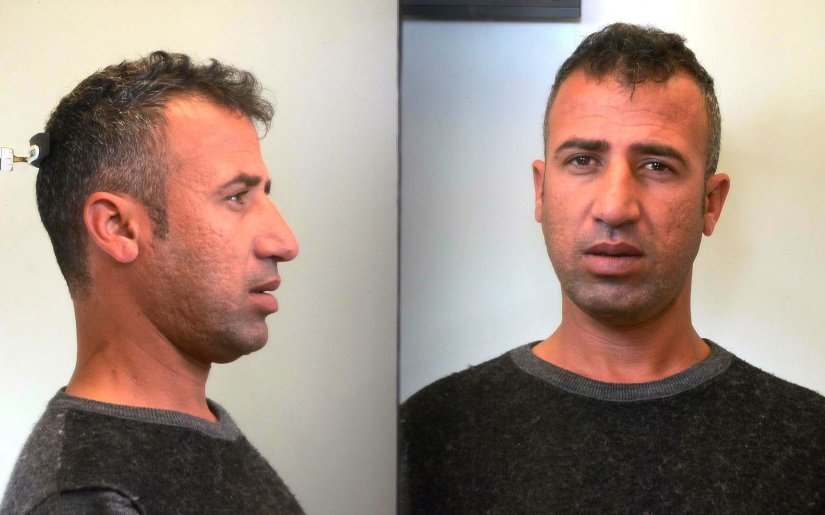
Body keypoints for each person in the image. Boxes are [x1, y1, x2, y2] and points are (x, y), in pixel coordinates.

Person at [400, 23, 825, 513]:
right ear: (541, 191)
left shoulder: (809, 444)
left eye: (657, 166)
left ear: (711, 203)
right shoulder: (426, 436)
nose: (615, 207)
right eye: (583, 160)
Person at [1, 51, 303, 514]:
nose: (284, 242)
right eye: (236, 197)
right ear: (118, 228)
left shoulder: (195, 431)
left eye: (264, 195)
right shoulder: (87, 499)